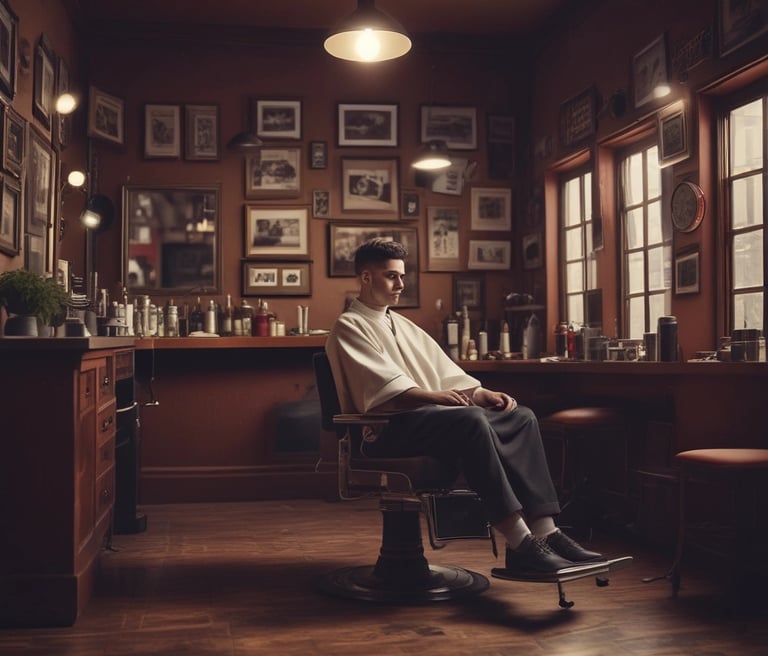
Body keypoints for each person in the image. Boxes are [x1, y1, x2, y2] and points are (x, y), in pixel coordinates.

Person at [325, 238, 605, 576]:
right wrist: (435, 397)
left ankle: (546, 531)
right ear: (366, 277)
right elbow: (381, 389)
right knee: (470, 421)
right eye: (391, 276)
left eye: (402, 276)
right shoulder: (349, 326)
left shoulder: (402, 325)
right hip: (385, 431)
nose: (400, 284)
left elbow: (444, 372)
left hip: (428, 422)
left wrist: (480, 393)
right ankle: (520, 542)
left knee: (520, 416)